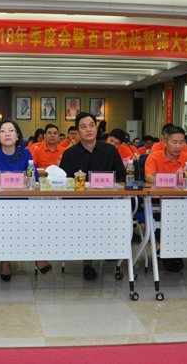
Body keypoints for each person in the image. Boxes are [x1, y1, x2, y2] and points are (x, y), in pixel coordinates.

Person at [0, 120, 47, 280]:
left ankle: (35, 254)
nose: (7, 133)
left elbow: (34, 177)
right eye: (2, 131)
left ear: (17, 135)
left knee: (33, 218)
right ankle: (5, 261)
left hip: (22, 202)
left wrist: (16, 179)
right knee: (5, 220)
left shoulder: (25, 153)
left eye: (11, 130)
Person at [59, 112, 126, 280]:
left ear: (97, 129)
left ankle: (112, 249)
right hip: (79, 204)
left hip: (108, 202)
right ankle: (88, 262)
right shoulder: (69, 154)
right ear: (77, 132)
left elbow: (122, 178)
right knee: (86, 216)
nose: (88, 129)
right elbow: (65, 183)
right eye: (83, 127)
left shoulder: (110, 150)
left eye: (91, 125)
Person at [144, 125, 187, 272]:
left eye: (182, 142)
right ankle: (167, 248)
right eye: (174, 142)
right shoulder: (154, 157)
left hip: (184, 203)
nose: (178, 146)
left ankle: (173, 250)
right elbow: (149, 177)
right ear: (164, 141)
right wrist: (172, 179)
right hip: (159, 204)